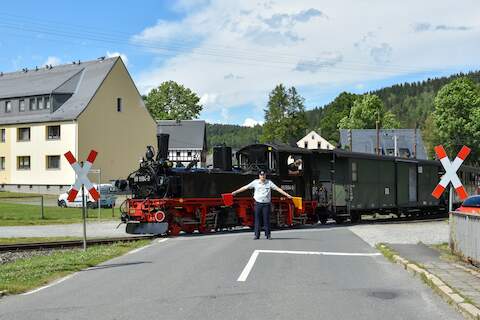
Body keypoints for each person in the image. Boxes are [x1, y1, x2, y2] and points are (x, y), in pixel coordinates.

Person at [231, 170, 293, 240]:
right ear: (259, 176)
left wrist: (287, 195)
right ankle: (256, 235)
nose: (262, 176)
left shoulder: (269, 182)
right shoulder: (255, 182)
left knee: (266, 219)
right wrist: (236, 192)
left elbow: (278, 189)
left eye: (263, 175)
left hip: (266, 204)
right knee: (257, 220)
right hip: (258, 204)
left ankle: (268, 235)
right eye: (261, 175)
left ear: (265, 176)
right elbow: (246, 187)